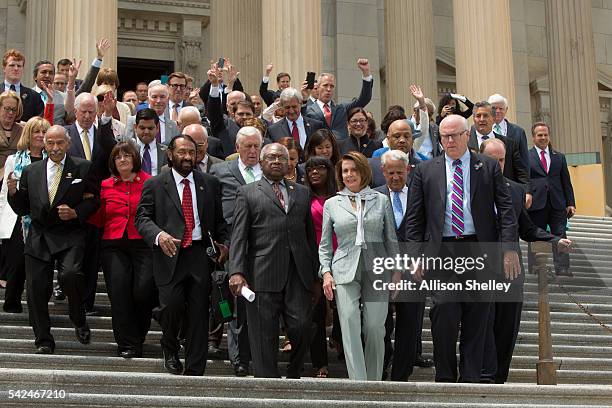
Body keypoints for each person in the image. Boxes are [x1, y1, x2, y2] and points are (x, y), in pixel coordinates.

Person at [404, 114, 519, 383]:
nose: (450, 140)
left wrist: (509, 249)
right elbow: (414, 218)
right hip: (442, 251)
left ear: (468, 135)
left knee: (478, 317)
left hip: (479, 250)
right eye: (445, 136)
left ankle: (470, 378)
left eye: (455, 135)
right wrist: (414, 256)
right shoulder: (425, 170)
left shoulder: (488, 167)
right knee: (444, 310)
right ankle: (445, 376)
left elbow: (506, 211)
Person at [479, 137, 572, 383]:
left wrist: (554, 239)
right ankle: (483, 375)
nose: (497, 164)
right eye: (491, 159)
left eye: (501, 160)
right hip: (479, 267)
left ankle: (499, 377)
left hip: (511, 270)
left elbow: (527, 228)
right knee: (483, 323)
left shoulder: (516, 189)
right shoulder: (470, 187)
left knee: (507, 326)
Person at [136, 134, 229, 376]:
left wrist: (225, 244)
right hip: (170, 253)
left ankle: (195, 368)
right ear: (170, 154)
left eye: (192, 152)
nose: (188, 157)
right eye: (182, 152)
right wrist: (159, 236)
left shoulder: (209, 183)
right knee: (171, 307)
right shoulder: (155, 184)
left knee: (199, 312)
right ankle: (170, 347)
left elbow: (219, 222)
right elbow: (142, 218)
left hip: (199, 254)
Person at [7, 125, 100, 354]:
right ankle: (43, 339)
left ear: (68, 143)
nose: (55, 148)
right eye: (51, 143)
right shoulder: (32, 171)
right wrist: (13, 193)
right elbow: (23, 207)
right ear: (44, 144)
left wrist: (77, 212)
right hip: (39, 235)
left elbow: (94, 200)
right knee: (36, 288)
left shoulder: (82, 167)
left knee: (70, 275)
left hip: (70, 234)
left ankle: (78, 317)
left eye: (60, 143)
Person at [228, 143, 318, 378]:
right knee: (263, 334)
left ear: (290, 163)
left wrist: (317, 272)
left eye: (282, 157)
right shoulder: (247, 192)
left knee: (301, 326)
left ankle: (294, 371)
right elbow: (239, 235)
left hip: (297, 273)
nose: (277, 161)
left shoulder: (302, 192)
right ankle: (266, 383)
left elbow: (309, 235)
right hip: (262, 273)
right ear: (261, 161)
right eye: (271, 157)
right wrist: (236, 271)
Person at [319, 151, 399, 381]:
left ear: (364, 171)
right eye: (345, 171)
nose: (349, 174)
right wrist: (326, 273)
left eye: (354, 170)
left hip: (377, 268)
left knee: (375, 327)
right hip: (344, 269)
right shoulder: (332, 204)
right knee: (350, 323)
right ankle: (358, 383)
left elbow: (390, 238)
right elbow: (324, 245)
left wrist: (396, 271)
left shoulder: (381, 200)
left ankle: (373, 383)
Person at [91, 141, 157, 358]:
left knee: (143, 290)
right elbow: (98, 217)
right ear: (113, 161)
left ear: (135, 158)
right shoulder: (105, 185)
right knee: (119, 294)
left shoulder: (150, 183)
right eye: (118, 157)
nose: (123, 160)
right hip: (113, 244)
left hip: (143, 244)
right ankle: (127, 343)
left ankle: (139, 333)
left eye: (127, 156)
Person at [208, 126, 264, 376]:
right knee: (238, 303)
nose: (253, 151)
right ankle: (239, 359)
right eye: (248, 146)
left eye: (256, 146)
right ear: (237, 148)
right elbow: (212, 210)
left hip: (265, 248)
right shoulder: (220, 172)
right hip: (234, 247)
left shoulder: (269, 172)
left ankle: (260, 354)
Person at [374, 149, 426, 381]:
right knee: (380, 323)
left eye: (400, 172)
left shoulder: (420, 195)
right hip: (381, 269)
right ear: (383, 172)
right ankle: (383, 364)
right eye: (391, 173)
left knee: (410, 324)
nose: (395, 177)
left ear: (408, 170)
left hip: (413, 269)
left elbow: (428, 229)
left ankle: (401, 374)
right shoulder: (373, 197)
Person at [0, 117, 50, 313]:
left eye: (44, 132)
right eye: (36, 131)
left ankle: (37, 308)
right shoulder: (14, 160)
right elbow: (5, 193)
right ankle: (12, 301)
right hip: (16, 218)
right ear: (28, 134)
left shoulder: (52, 161)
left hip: (43, 219)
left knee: (40, 266)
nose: (40, 135)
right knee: (17, 262)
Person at [527, 122, 576, 277]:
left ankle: (562, 267)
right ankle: (536, 266)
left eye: (545, 135)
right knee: (536, 235)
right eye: (539, 135)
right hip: (536, 202)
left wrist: (570, 203)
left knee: (560, 234)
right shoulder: (526, 157)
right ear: (533, 137)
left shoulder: (559, 157)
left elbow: (566, 181)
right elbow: (525, 179)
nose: (543, 138)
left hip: (557, 202)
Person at [304, 156, 337, 378]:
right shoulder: (303, 197)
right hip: (313, 258)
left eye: (320, 167)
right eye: (309, 169)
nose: (314, 172)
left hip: (343, 257)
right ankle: (319, 362)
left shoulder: (341, 196)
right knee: (316, 313)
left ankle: (340, 340)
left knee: (345, 310)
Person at [468, 101, 530, 199]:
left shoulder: (509, 144)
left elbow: (521, 172)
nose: (481, 119)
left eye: (485, 116)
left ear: (493, 119)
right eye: (478, 116)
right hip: (476, 197)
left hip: (505, 196)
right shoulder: (465, 145)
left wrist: (527, 192)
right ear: (473, 119)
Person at [304, 59, 373, 140]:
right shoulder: (308, 109)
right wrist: (304, 98)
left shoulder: (341, 108)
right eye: (325, 85)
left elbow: (364, 99)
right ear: (318, 88)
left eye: (332, 86)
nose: (329, 89)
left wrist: (366, 73)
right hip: (320, 150)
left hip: (341, 149)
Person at [369, 119, 421, 188]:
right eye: (397, 136)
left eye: (406, 136)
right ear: (388, 139)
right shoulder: (372, 166)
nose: (402, 140)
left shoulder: (421, 167)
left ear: (412, 140)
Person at [487, 93, 529, 168]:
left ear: (506, 110)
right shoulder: (480, 130)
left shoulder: (518, 132)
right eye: (494, 108)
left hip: (510, 177)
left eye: (501, 108)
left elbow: (524, 161)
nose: (497, 111)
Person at [1, 49, 44, 122]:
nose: (16, 68)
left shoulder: (34, 96)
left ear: (23, 69)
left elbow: (38, 123)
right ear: (4, 68)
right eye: (12, 65)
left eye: (19, 66)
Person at [131, 108, 167, 177]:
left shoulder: (166, 152)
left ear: (157, 128)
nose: (146, 132)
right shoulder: (127, 150)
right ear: (135, 127)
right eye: (142, 128)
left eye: (150, 128)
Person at [0, 91, 25, 180]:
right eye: (7, 108)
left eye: (14, 109)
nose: (10, 113)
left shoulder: (23, 130)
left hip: (16, 176)